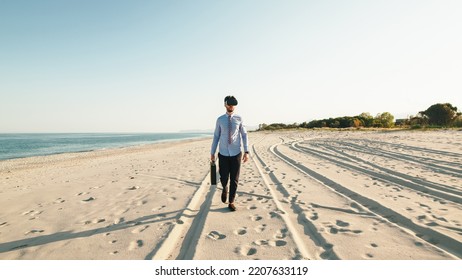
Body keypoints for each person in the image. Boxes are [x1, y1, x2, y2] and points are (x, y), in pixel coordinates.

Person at [210, 95, 249, 211]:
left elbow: (244, 135)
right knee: (224, 176)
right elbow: (216, 136)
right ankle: (224, 187)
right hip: (223, 153)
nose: (231, 106)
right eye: (229, 104)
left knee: (235, 179)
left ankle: (231, 201)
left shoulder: (239, 118)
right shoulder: (220, 119)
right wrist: (212, 152)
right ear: (225, 104)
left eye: (233, 104)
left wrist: (246, 151)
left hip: (236, 153)